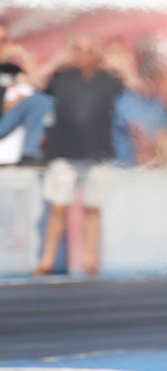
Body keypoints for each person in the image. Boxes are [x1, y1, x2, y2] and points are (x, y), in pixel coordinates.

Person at [34, 35, 124, 276]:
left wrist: (117, 64)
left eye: (88, 50)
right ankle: (47, 259)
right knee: (58, 208)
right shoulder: (61, 77)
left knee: (93, 208)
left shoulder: (108, 79)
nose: (83, 55)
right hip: (64, 152)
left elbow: (139, 86)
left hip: (97, 152)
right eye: (78, 50)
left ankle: (90, 258)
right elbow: (35, 82)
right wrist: (56, 61)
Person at [0, 21, 53, 165]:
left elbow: (37, 83)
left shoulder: (10, 69)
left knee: (40, 100)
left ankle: (30, 153)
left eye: (3, 41)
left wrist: (24, 53)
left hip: (4, 119)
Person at [112, 52, 167, 167]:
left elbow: (163, 134)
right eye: (150, 79)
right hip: (127, 167)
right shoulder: (127, 101)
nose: (154, 84)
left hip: (152, 164)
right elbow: (140, 138)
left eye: (158, 80)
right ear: (142, 78)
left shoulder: (157, 100)